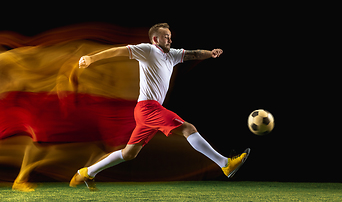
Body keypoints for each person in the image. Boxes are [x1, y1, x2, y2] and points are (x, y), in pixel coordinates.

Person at [70, 23, 250, 191]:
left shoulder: (171, 55)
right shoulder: (148, 50)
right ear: (155, 39)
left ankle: (86, 172)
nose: (170, 40)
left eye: (170, 37)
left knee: (129, 153)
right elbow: (120, 51)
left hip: (146, 111)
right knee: (188, 128)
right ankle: (225, 164)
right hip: (148, 108)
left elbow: (193, 54)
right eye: (166, 37)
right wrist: (92, 58)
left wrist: (210, 53)